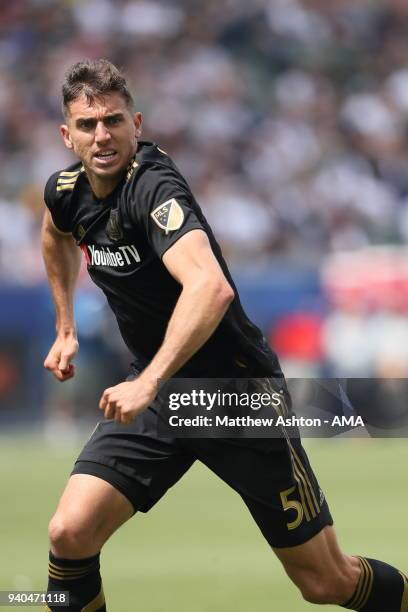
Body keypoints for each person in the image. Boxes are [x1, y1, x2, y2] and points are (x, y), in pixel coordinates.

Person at [41, 59, 407, 612]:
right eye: (88, 126)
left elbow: (210, 288)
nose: (102, 135)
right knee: (69, 534)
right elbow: (55, 233)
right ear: (67, 136)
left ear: (136, 124)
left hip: (235, 396)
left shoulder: (153, 189)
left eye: (113, 121)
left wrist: (150, 381)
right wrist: (65, 327)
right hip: (162, 396)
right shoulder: (67, 190)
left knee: (325, 582)